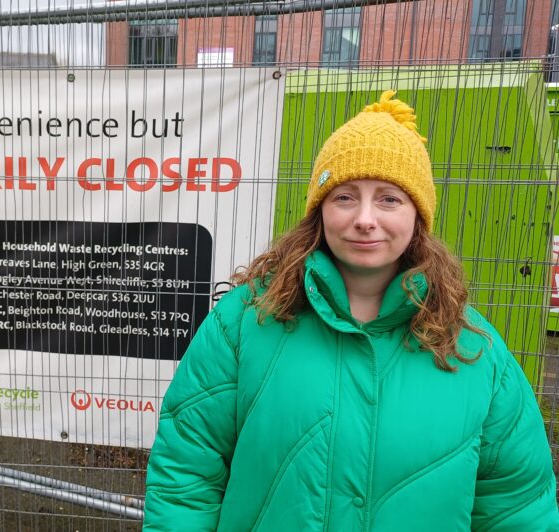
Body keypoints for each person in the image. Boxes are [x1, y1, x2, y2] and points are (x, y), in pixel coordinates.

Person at [144, 91, 559, 530]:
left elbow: (517, 507)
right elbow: (185, 475)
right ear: (319, 210)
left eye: (389, 199)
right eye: (344, 196)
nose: (364, 218)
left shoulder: (475, 352)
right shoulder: (244, 323)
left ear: (418, 215)